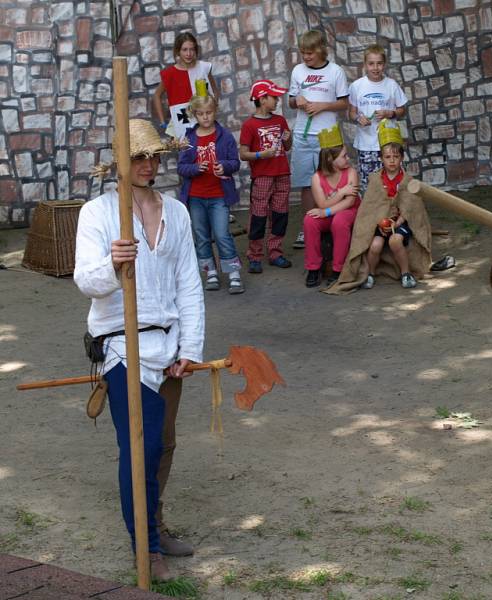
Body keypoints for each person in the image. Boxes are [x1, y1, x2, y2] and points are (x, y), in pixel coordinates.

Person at [74, 119, 205, 581]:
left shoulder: (178, 212)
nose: (149, 165)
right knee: (140, 446)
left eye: (154, 157)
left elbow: (189, 284)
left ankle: (154, 521)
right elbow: (86, 281)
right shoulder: (97, 213)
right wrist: (113, 263)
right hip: (121, 347)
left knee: (163, 445)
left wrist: (190, 346)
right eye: (139, 157)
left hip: (167, 345)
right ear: (120, 165)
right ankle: (145, 547)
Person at [325, 120, 431, 295]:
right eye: (388, 157)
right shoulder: (375, 179)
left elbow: (411, 208)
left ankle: (406, 273)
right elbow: (370, 208)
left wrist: (396, 224)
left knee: (395, 241)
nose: (392, 161)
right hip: (380, 225)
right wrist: (378, 225)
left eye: (396, 157)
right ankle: (370, 274)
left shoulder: (407, 180)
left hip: (400, 224)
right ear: (381, 158)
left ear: (401, 158)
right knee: (374, 245)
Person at [288, 29, 349, 250]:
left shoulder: (336, 72)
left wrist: (322, 106)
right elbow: (290, 101)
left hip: (329, 135)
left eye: (310, 53)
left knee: (333, 181)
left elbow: (344, 103)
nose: (306, 57)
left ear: (321, 49)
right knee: (306, 183)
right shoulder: (297, 71)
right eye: (303, 53)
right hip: (303, 135)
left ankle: (334, 224)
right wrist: (298, 101)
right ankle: (308, 227)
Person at [177, 94, 244, 294]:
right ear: (194, 114)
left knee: (222, 234)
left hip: (219, 195)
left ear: (215, 111)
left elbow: (235, 163)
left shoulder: (225, 136)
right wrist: (196, 167)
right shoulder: (189, 138)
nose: (205, 117)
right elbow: (182, 167)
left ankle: (233, 274)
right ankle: (210, 272)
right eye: (200, 114)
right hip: (196, 197)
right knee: (201, 236)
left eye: (209, 113)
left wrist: (224, 166)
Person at [239, 79, 293, 273]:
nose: (278, 100)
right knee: (259, 215)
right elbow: (243, 154)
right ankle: (254, 255)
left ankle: (275, 252)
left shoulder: (280, 120)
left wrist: (289, 138)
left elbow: (287, 147)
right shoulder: (249, 125)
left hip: (282, 173)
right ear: (262, 99)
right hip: (262, 175)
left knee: (280, 214)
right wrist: (261, 155)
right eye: (274, 97)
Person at [302, 124, 360, 288]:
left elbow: (349, 202)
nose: (347, 159)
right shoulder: (317, 177)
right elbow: (321, 203)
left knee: (339, 221)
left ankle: (338, 268)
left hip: (349, 210)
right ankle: (313, 267)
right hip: (328, 211)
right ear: (330, 159)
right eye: (344, 156)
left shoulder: (351, 173)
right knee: (309, 220)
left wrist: (326, 211)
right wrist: (341, 192)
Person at [348, 44, 408, 191]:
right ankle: (370, 213)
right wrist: (358, 119)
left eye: (379, 63)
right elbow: (351, 112)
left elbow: (402, 110)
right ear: (365, 65)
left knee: (392, 183)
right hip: (366, 144)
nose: (375, 68)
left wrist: (390, 113)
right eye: (371, 64)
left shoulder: (391, 85)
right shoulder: (357, 86)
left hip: (389, 144)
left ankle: (392, 213)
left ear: (384, 64)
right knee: (369, 185)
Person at [152, 32, 219, 141]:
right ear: (178, 51)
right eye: (184, 50)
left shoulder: (204, 67)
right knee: (189, 154)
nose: (189, 53)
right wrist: (162, 121)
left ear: (196, 50)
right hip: (183, 124)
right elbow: (157, 95)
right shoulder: (170, 74)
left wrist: (213, 108)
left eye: (192, 49)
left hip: (205, 120)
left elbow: (215, 91)